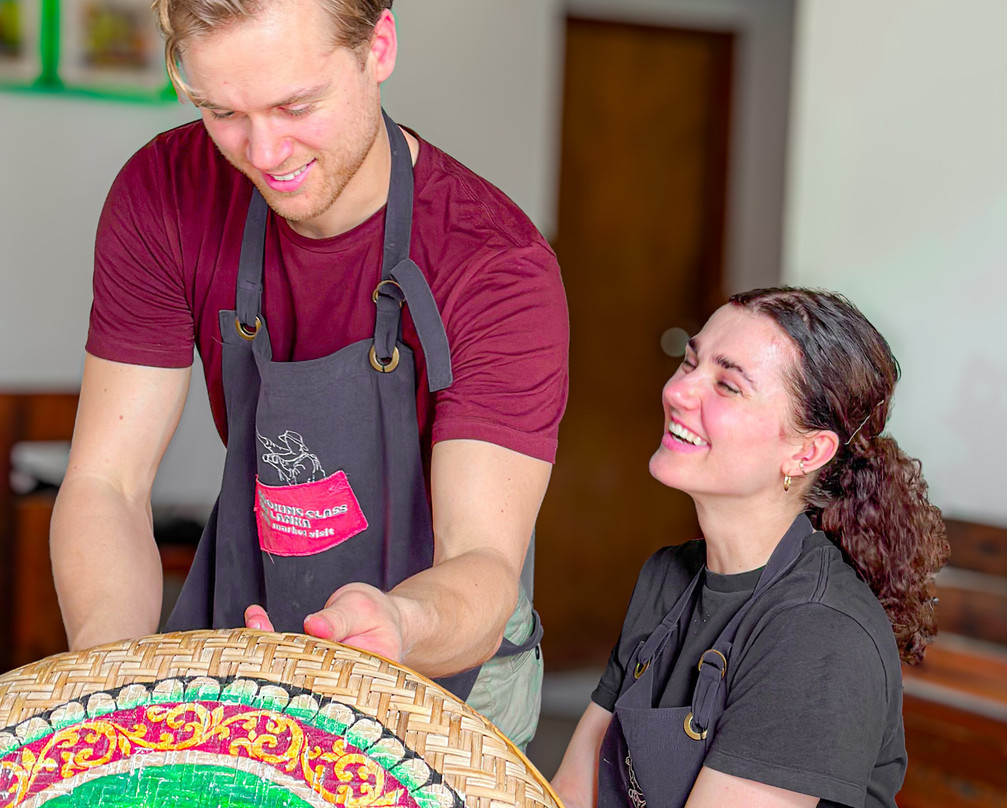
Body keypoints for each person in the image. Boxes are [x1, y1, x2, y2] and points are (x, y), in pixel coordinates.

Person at [49, 0, 568, 750]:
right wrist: (114, 691)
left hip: (440, 647)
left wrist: (397, 624)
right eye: (221, 111)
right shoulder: (163, 192)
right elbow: (107, 483)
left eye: (297, 105)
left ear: (379, 46)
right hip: (252, 614)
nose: (263, 152)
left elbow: (482, 562)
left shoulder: (496, 266)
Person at [551, 287, 949, 807]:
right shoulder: (666, 578)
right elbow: (567, 794)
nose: (678, 391)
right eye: (689, 363)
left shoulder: (819, 633)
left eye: (727, 385)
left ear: (807, 451)